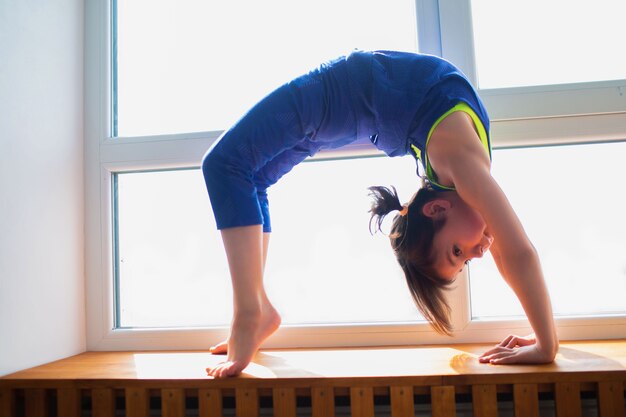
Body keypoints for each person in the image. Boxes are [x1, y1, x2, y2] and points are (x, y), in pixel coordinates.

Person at [201, 50, 558, 378]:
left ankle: (254, 311)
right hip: (347, 98)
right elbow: (514, 251)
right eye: (459, 254)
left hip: (346, 103)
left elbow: (510, 253)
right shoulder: (463, 163)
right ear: (436, 208)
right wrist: (545, 342)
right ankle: (253, 309)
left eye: (459, 255)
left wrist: (543, 340)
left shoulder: (457, 172)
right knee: (238, 170)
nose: (477, 252)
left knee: (234, 168)